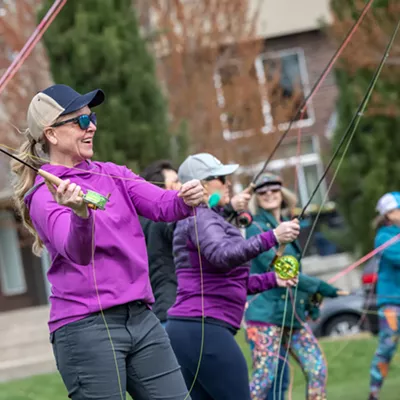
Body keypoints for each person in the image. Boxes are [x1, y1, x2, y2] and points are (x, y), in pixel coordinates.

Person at [11, 84, 205, 400]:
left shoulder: (113, 174)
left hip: (142, 318)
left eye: (93, 118)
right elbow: (76, 252)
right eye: (81, 122)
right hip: (85, 329)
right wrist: (80, 216)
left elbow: (164, 206)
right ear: (52, 134)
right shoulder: (43, 196)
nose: (93, 128)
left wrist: (187, 197)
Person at [165, 153, 301, 400]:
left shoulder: (201, 218)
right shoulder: (201, 217)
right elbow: (223, 255)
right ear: (202, 185)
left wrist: (273, 280)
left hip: (187, 330)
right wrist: (273, 237)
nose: (228, 183)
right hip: (204, 329)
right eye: (221, 177)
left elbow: (225, 281)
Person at [245, 172, 341, 400]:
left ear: (282, 193)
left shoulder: (287, 225)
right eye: (262, 191)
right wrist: (319, 286)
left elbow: (297, 274)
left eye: (274, 189)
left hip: (292, 316)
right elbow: (279, 268)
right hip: (265, 316)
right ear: (256, 197)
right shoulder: (255, 228)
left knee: (317, 369)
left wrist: (310, 302)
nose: (269, 194)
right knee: (263, 382)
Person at [139, 160, 253, 328]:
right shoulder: (162, 221)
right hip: (176, 310)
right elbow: (189, 225)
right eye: (176, 182)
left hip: (160, 310)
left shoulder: (142, 220)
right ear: (160, 190)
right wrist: (229, 207)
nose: (182, 185)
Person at [368, 192, 400, 400]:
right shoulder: (383, 236)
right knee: (387, 346)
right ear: (388, 214)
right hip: (391, 303)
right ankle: (374, 392)